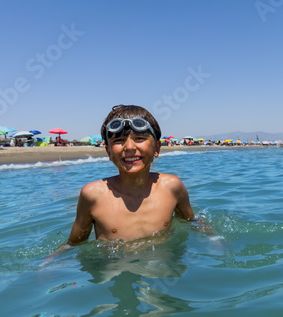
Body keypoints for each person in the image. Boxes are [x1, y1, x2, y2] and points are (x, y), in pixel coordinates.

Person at [58, 105, 196, 250]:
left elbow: (192, 223)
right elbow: (73, 244)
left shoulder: (172, 187)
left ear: (156, 148)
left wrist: (214, 239)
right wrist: (48, 264)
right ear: (108, 152)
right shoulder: (93, 195)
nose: (129, 147)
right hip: (115, 270)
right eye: (119, 140)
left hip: (162, 270)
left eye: (140, 138)